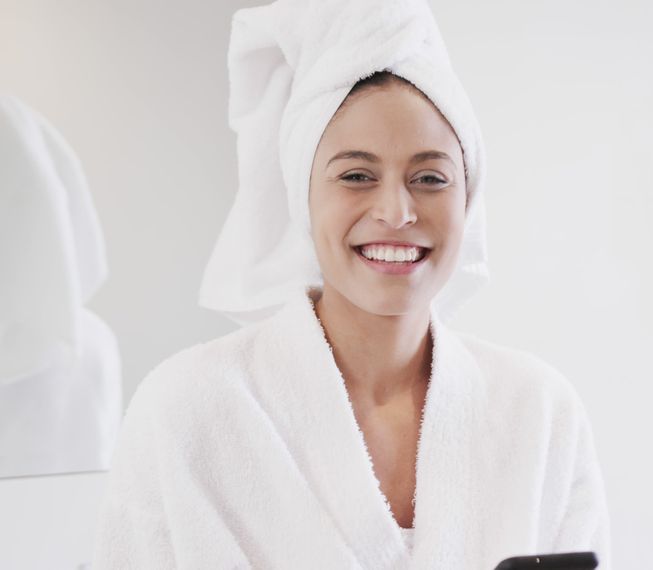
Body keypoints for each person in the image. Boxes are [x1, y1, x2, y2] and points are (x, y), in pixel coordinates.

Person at [90, 1, 611, 568]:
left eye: (430, 178)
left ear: (469, 199)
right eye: (357, 176)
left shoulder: (538, 411)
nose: (396, 211)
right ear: (303, 197)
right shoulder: (188, 413)